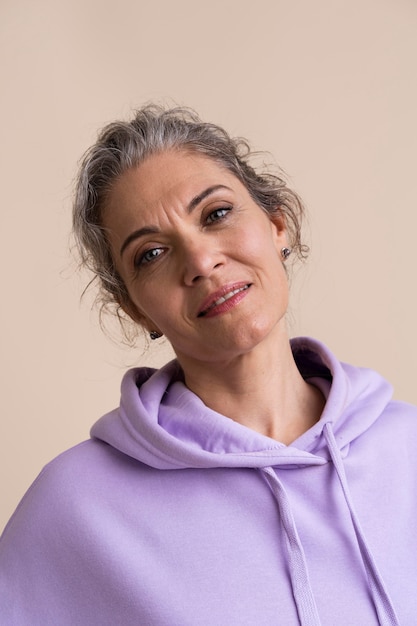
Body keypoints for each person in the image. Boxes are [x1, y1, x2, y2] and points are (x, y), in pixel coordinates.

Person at [0, 105, 416, 626]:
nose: (200, 262)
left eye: (216, 214)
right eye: (151, 254)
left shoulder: (408, 448)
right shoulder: (74, 509)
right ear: (133, 307)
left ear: (278, 223)